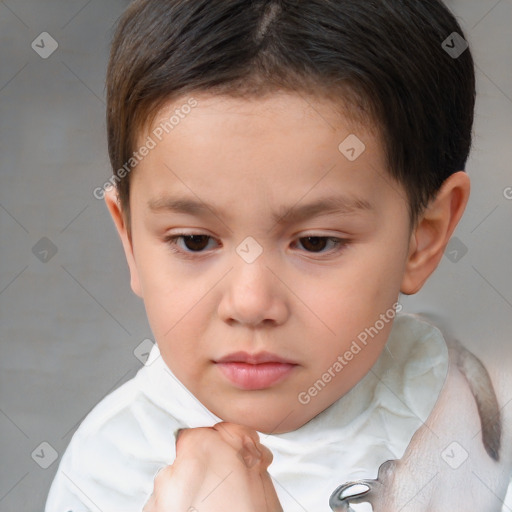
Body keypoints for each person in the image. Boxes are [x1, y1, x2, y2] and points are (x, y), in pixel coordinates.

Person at [45, 0, 512, 510]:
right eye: (195, 241)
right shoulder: (106, 473)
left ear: (424, 235)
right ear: (130, 240)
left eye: (314, 242)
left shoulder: (474, 437)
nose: (250, 304)